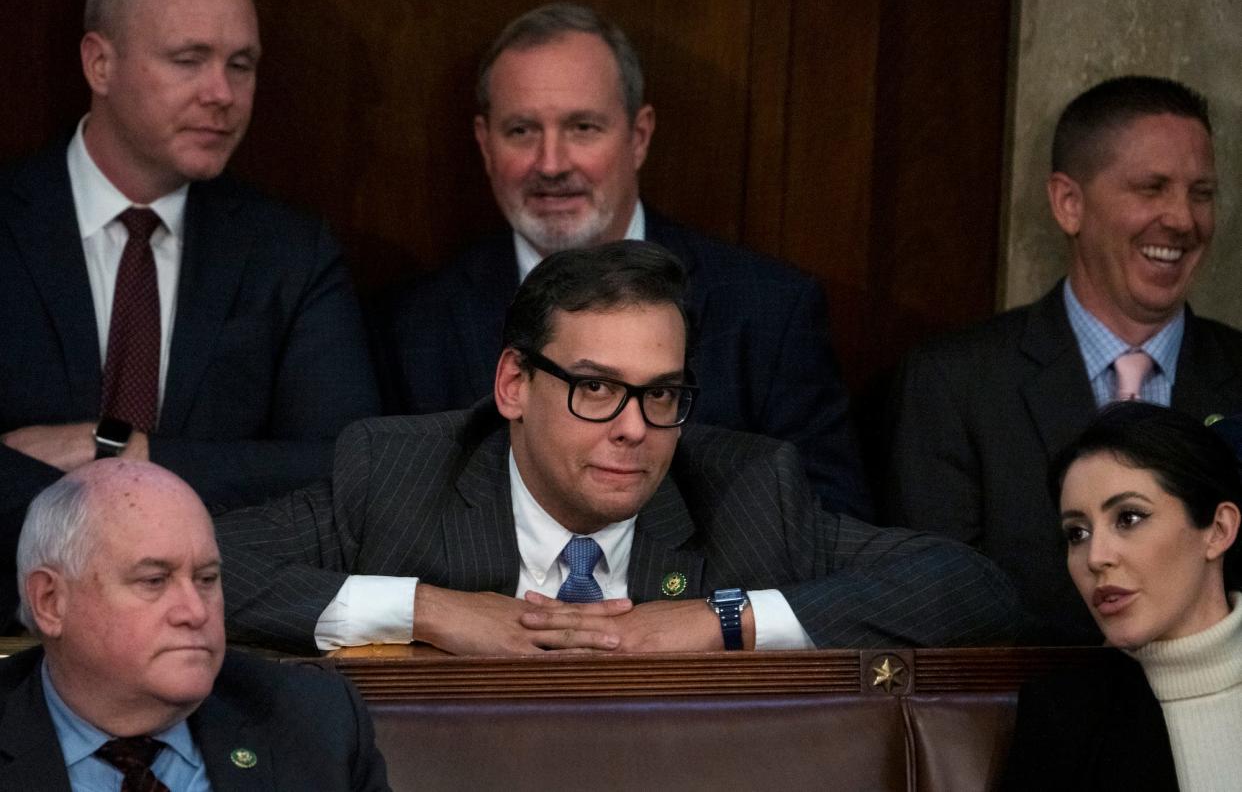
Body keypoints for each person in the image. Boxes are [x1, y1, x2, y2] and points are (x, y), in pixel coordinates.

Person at [219, 241, 1020, 656]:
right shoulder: (397, 476)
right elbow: (194, 571)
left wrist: (723, 620)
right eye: (595, 388)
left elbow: (971, 588)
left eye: (662, 393)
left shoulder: (746, 493)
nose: (634, 426)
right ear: (512, 387)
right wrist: (427, 611)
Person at [384, 2, 870, 518]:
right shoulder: (414, 323)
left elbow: (831, 531)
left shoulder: (770, 312)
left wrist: (701, 603)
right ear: (485, 144)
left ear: (638, 136)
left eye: (583, 128)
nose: (551, 164)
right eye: (522, 131)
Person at [0, 0, 380, 623]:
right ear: (100, 63)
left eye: (241, 65)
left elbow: (349, 470)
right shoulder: (10, 224)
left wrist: (122, 450)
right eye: (188, 60)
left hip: (223, 636)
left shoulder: (289, 253)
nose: (222, 93)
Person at [884, 75, 1242, 642]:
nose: (1183, 219)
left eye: (1202, 193)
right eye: (1152, 188)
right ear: (1069, 203)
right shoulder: (955, 383)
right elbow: (938, 605)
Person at [0, 459, 389, 790]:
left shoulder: (311, 724)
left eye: (206, 579)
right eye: (154, 581)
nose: (195, 611)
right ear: (50, 602)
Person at [1002, 403, 1242, 790]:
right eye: (1077, 533)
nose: (1096, 558)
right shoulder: (1064, 718)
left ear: (1218, 529)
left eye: (1129, 518)